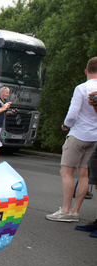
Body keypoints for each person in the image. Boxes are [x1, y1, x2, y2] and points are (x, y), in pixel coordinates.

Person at [46, 57, 97, 222]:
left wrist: (65, 125)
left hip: (78, 134)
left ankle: (66, 210)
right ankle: (75, 211)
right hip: (95, 137)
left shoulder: (81, 88)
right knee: (84, 175)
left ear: (86, 71)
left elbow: (73, 112)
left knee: (66, 172)